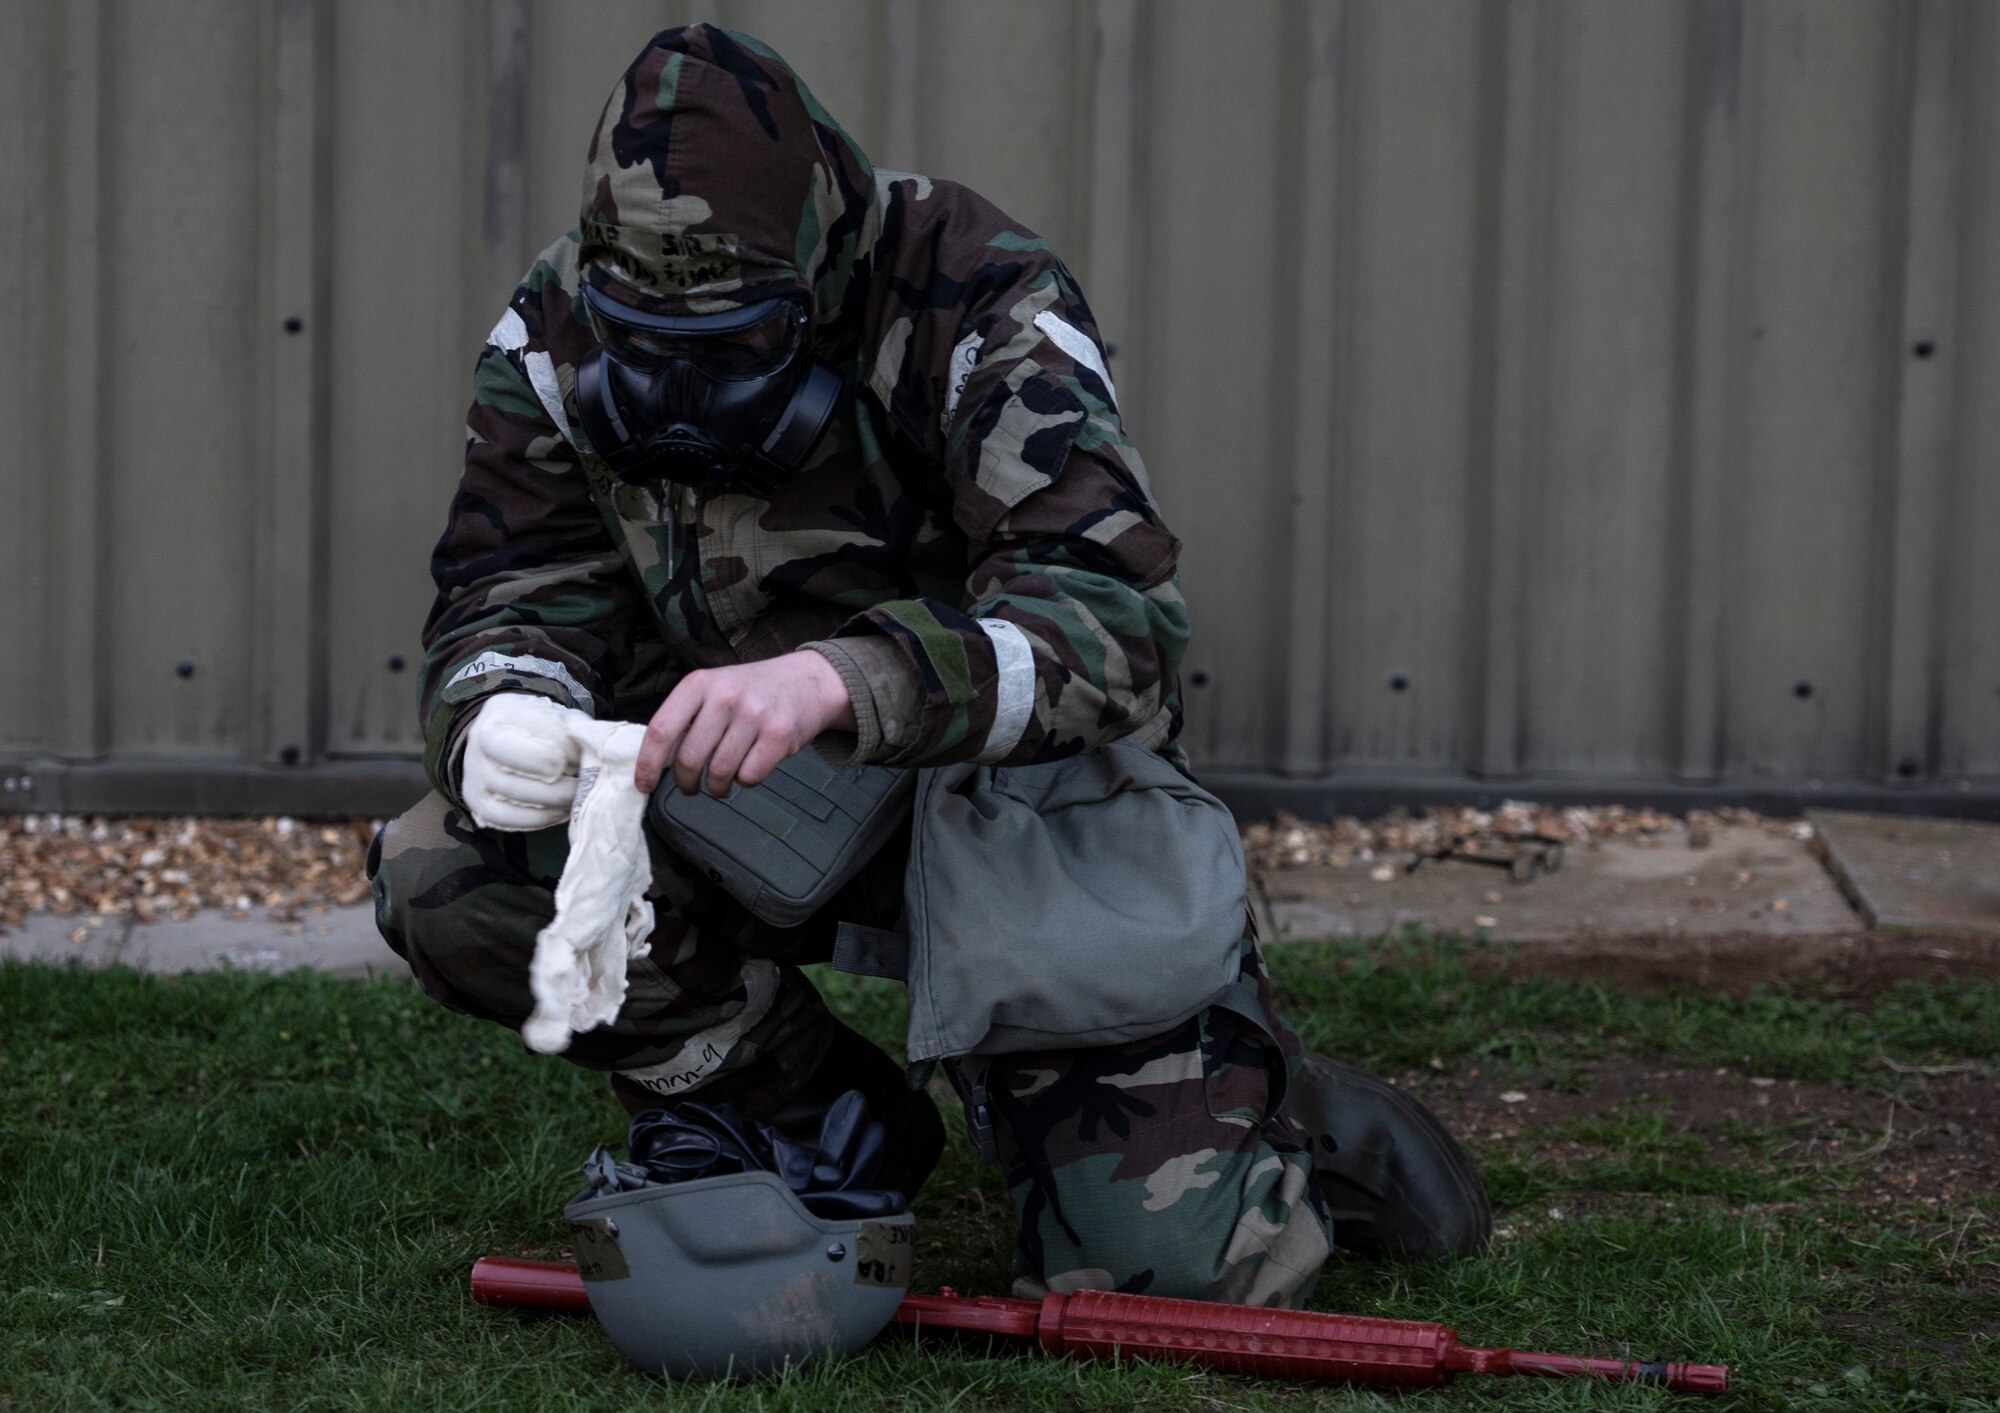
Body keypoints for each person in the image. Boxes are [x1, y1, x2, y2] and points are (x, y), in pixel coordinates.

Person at [369, 23, 1487, 1308]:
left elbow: (1114, 625)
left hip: (1003, 795)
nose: (679, 386)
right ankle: (811, 1118)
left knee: (1152, 1281)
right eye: (647, 344)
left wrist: (843, 679)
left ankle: (1263, 1094)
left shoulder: (975, 291)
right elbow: (508, 584)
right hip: (741, 783)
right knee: (450, 870)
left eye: (731, 344)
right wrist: (502, 701)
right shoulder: (559, 323)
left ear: (817, 261)